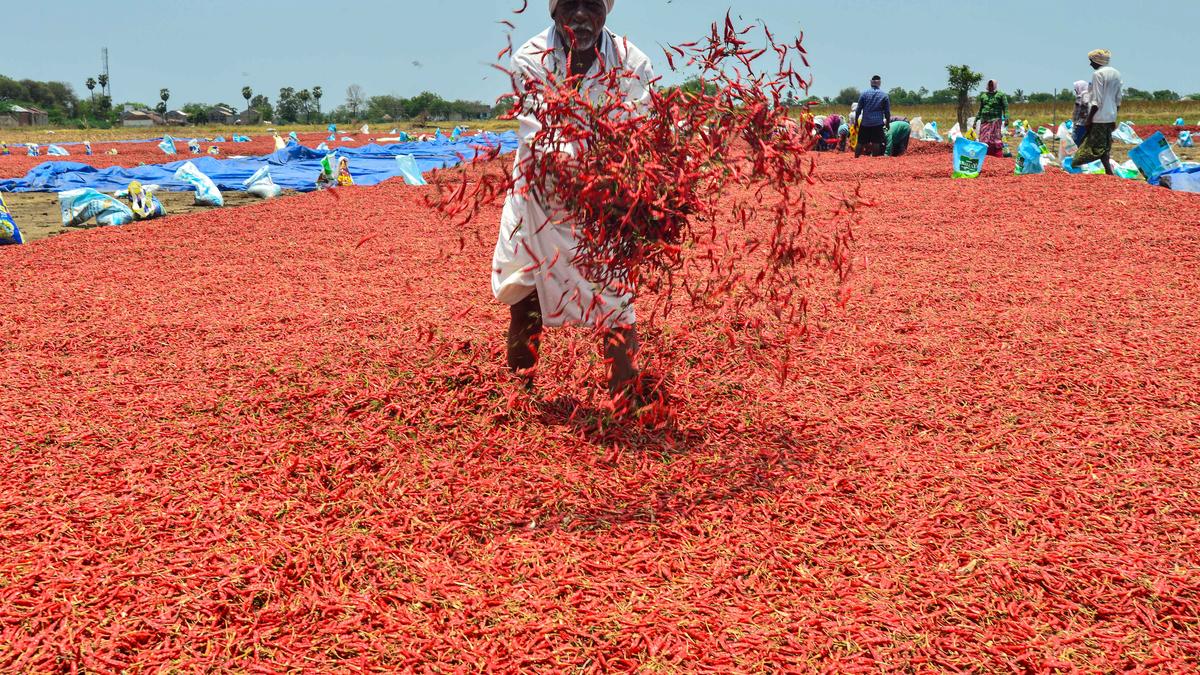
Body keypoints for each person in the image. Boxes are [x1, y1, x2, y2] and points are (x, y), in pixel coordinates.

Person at [492, 0, 656, 408]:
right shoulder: (530, 59)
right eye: (570, 4)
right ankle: (520, 395)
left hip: (606, 205)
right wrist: (598, 169)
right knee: (525, 297)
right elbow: (542, 137)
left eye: (590, 5)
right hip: (539, 195)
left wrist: (624, 186)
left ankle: (624, 399)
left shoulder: (633, 63)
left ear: (605, 11)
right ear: (553, 11)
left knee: (616, 303)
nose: (580, 15)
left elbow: (639, 133)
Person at [1074, 49, 1123, 175]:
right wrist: (1114, 117)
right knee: (1104, 144)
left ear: (1097, 61)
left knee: (1094, 146)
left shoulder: (1098, 74)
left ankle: (1076, 164)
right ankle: (1108, 170)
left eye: (1091, 61)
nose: (1091, 64)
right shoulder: (1116, 74)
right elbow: (1118, 99)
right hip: (1110, 115)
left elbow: (1097, 100)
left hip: (1098, 116)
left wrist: (1089, 119)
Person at [854, 76, 891, 157]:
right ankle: (874, 161)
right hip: (877, 123)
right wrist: (888, 123)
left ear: (871, 82)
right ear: (879, 83)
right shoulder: (884, 95)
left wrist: (856, 121)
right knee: (876, 142)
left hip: (865, 123)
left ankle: (856, 158)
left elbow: (858, 109)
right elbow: (887, 112)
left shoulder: (864, 94)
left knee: (860, 142)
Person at [977, 80, 1008, 157]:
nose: (991, 87)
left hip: (996, 120)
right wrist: (976, 120)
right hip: (985, 120)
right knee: (984, 138)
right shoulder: (983, 96)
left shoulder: (1000, 95)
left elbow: (1005, 107)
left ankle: (997, 155)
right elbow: (980, 109)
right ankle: (986, 155)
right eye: (989, 85)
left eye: (992, 85)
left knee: (995, 138)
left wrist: (1006, 118)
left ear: (995, 85)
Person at [1071, 80, 1090, 146]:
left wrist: (1085, 115)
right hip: (1079, 124)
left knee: (1076, 144)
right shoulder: (1082, 95)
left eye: (1076, 88)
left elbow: (1088, 106)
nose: (1075, 90)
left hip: (1081, 125)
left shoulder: (1085, 95)